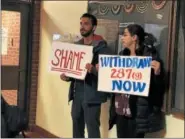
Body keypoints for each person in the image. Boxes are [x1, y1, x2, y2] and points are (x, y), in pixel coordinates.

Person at [97, 24, 165, 138]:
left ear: (134, 38)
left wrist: (157, 73)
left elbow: (157, 88)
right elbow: (114, 82)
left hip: (137, 111)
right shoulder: (122, 55)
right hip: (120, 109)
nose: (122, 38)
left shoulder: (149, 56)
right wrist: (104, 71)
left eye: (125, 35)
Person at [60, 13, 111, 138]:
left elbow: (108, 74)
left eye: (86, 24)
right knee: (76, 128)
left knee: (92, 130)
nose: (82, 27)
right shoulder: (77, 46)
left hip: (93, 95)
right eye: (81, 23)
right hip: (77, 94)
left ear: (94, 27)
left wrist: (93, 69)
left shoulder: (103, 48)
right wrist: (67, 77)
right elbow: (74, 71)